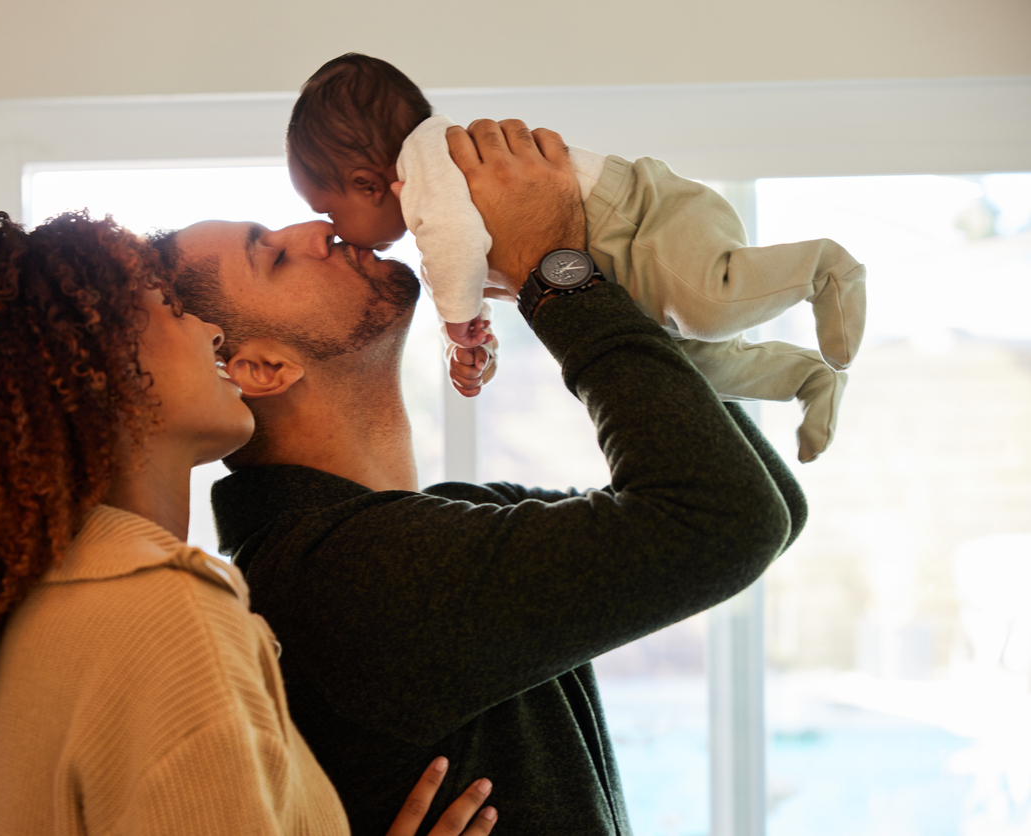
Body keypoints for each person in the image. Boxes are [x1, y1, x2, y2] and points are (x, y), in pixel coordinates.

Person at [157, 119, 809, 835]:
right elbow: (723, 517)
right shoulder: (344, 575)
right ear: (259, 368)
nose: (314, 229)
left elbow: (765, 503)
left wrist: (612, 274)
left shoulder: (435, 526)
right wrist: (556, 274)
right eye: (272, 257)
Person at [0, 211, 499, 835]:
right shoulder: (170, 618)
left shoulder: (22, 618)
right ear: (99, 371)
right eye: (172, 310)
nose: (210, 331)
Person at [286, 53, 866, 462]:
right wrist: (472, 342)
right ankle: (807, 378)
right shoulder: (432, 214)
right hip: (621, 267)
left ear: (367, 183)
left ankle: (823, 268)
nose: (331, 231)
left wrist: (456, 317)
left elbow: (459, 248)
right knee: (700, 370)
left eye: (328, 212)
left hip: (642, 218)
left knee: (708, 309)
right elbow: (504, 267)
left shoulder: (425, 163)